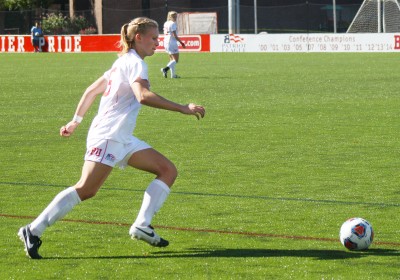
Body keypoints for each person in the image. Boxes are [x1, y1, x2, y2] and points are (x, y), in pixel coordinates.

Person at [18, 17, 205, 259]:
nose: (157, 43)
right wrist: (182, 108)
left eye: (158, 39)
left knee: (167, 170)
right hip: (109, 136)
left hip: (122, 137)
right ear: (138, 37)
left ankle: (142, 225)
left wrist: (76, 121)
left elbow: (91, 91)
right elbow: (143, 96)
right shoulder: (136, 64)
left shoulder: (121, 63)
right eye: (153, 38)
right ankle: (33, 230)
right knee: (86, 189)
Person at [161, 11, 186, 79]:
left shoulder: (166, 23)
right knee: (176, 60)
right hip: (171, 42)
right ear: (170, 17)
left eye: (176, 16)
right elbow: (175, 35)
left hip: (166, 42)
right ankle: (165, 69)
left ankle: (173, 75)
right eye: (174, 16)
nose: (175, 18)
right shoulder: (173, 24)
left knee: (171, 60)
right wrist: (182, 43)